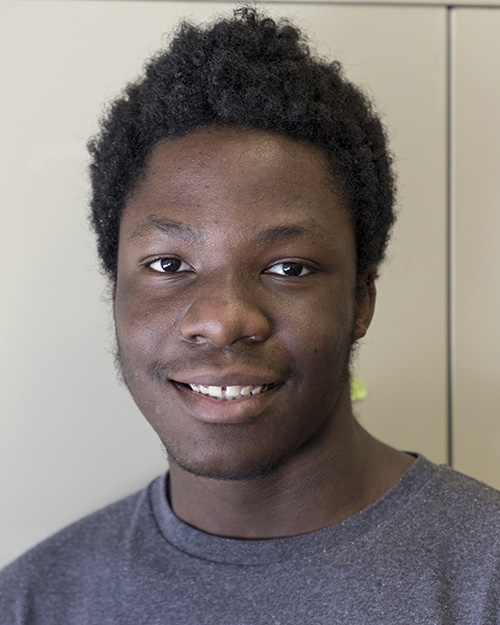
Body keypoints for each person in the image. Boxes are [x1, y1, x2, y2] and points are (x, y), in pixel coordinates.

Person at [1, 7, 499, 624]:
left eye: (288, 267)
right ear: (115, 296)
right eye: (167, 265)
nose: (223, 318)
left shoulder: (485, 578)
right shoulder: (33, 600)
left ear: (362, 301)